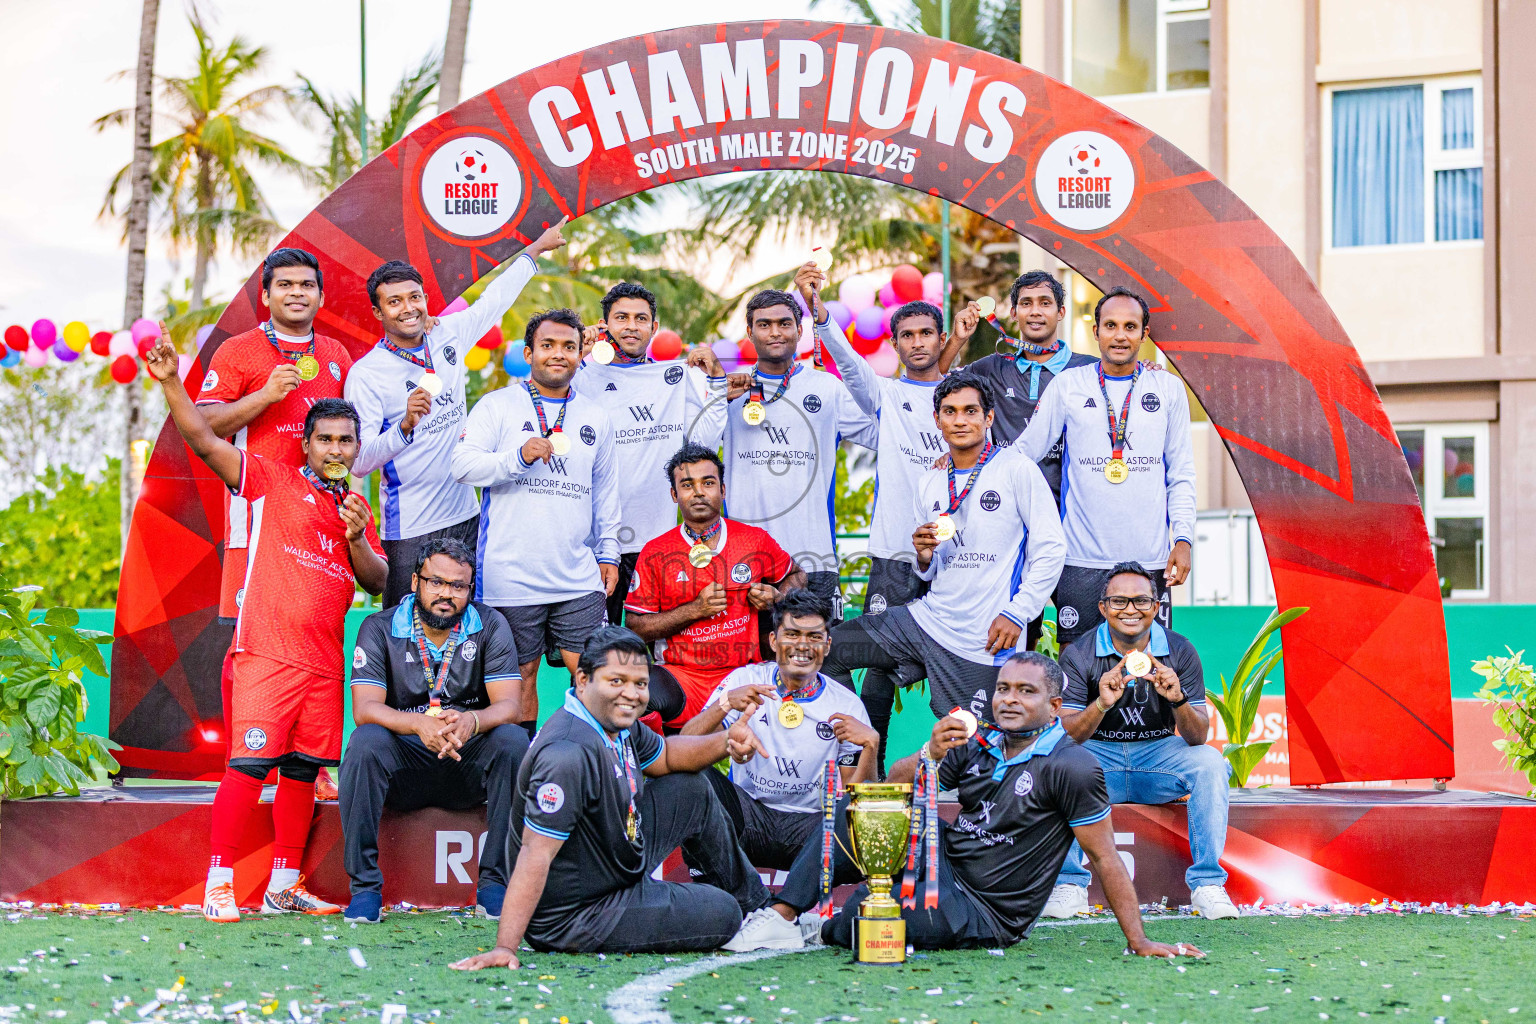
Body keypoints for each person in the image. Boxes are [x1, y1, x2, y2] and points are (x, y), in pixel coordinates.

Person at [144, 336, 386, 924]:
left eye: (345, 441)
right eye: (325, 439)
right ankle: (219, 882)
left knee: (304, 771)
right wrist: (173, 383)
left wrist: (357, 538)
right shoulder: (272, 479)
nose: (335, 448)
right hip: (268, 653)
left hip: (325, 660)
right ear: (304, 445)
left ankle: (283, 882)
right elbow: (202, 438)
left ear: (357, 450)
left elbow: (377, 581)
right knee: (249, 768)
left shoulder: (355, 506)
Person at [740, 652, 1203, 957]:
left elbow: (1104, 857)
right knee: (860, 810)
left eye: (1026, 691)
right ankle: (782, 917)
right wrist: (930, 753)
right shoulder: (976, 740)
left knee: (868, 916)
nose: (1010, 700)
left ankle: (821, 930)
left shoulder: (1072, 764)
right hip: (942, 864)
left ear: (1056, 704)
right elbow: (893, 786)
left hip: (985, 910)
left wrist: (1138, 940)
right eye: (1004, 689)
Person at [447, 628, 776, 967]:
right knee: (722, 911)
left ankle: (761, 909)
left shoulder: (612, 721)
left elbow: (665, 757)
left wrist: (725, 741)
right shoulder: (567, 754)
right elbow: (534, 855)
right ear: (583, 680)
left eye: (640, 683)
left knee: (690, 789)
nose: (631, 694)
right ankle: (739, 909)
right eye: (616, 681)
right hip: (577, 914)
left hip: (614, 861)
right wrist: (506, 947)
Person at [345, 221, 569, 609]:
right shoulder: (367, 374)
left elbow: (493, 302)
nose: (408, 308)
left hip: (468, 514)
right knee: (406, 631)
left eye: (414, 297)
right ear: (377, 311)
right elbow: (360, 461)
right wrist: (404, 426)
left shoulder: (447, 334)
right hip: (411, 526)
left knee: (465, 627)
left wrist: (533, 252)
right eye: (394, 301)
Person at [195, 247, 353, 798]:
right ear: (265, 295)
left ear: (319, 295)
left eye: (307, 285)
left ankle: (309, 764)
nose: (296, 293)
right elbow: (206, 423)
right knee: (245, 638)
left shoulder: (334, 354)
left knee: (319, 628)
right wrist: (265, 395)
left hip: (320, 519)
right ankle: (246, 752)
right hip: (257, 513)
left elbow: (348, 434)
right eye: (284, 285)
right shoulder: (239, 352)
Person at [821, 372, 1066, 726]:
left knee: (970, 755)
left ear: (989, 417)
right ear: (937, 420)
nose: (960, 420)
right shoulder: (931, 481)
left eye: (970, 411)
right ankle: (864, 765)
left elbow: (1051, 548)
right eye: (950, 412)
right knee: (829, 650)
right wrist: (924, 557)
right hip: (928, 620)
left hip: (984, 639)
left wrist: (1019, 612)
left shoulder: (1017, 470)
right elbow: (934, 570)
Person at [795, 262, 950, 770]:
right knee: (875, 665)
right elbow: (851, 365)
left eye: (927, 333)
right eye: (907, 335)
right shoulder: (885, 395)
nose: (917, 342)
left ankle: (968, 774)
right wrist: (819, 316)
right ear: (896, 343)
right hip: (895, 556)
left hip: (961, 562)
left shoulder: (969, 402)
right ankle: (869, 764)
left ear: (940, 339)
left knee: (955, 671)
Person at [339, 538, 530, 924]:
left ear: (469, 590)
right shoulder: (379, 627)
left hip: (465, 762)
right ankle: (364, 889)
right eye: (436, 582)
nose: (447, 594)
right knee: (364, 744)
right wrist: (418, 723)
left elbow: (511, 705)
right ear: (415, 582)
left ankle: (494, 884)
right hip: (405, 769)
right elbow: (365, 709)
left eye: (458, 586)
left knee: (513, 741)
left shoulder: (489, 624)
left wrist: (472, 721)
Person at [676, 589, 879, 950]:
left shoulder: (846, 704)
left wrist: (871, 746)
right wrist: (724, 705)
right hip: (750, 819)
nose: (803, 645)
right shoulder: (745, 681)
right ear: (773, 640)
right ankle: (744, 906)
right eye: (793, 634)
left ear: (827, 645)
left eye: (814, 636)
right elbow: (683, 746)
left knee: (855, 813)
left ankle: (782, 914)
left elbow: (857, 801)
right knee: (689, 778)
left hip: (812, 833)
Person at [450, 308, 620, 733]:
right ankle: (524, 775)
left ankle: (589, 765)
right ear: (528, 352)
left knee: (592, 674)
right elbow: (463, 466)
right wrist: (518, 457)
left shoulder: (596, 416)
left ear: (582, 353)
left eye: (568, 346)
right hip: (511, 573)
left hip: (577, 574)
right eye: (548, 345)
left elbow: (605, 494)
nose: (558, 354)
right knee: (519, 676)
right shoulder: (498, 405)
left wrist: (610, 553)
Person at [1042, 562, 1238, 921]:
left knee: (1210, 762)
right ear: (1102, 607)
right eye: (1119, 601)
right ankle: (1070, 885)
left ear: (1156, 607)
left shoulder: (1180, 651)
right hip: (1100, 763)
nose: (1130, 610)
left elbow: (1197, 737)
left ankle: (1208, 884)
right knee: (1058, 761)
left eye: (1141, 601)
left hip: (1159, 757)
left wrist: (1177, 699)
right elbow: (1066, 735)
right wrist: (1101, 704)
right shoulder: (1080, 654)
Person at [1014, 287, 1196, 647]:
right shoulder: (1069, 385)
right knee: (1075, 669)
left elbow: (1181, 474)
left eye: (1130, 326)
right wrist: (966, 461)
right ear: (1095, 331)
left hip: (1149, 558)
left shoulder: (1168, 389)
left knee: (1147, 669)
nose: (1120, 335)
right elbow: (1024, 452)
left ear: (1144, 334)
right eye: (1110, 325)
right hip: (1080, 557)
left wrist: (1184, 538)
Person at [576, 282, 727, 624]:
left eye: (641, 318)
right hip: (595, 546)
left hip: (658, 545)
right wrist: (576, 355)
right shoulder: (581, 375)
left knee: (653, 642)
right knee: (595, 652)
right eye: (622, 318)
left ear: (654, 328)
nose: (631, 325)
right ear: (605, 325)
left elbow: (703, 443)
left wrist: (717, 383)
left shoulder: (673, 377)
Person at [624, 443, 805, 727]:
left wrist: (778, 596)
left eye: (708, 483)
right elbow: (635, 627)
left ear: (722, 490)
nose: (698, 492)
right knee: (633, 695)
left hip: (745, 676)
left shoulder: (753, 540)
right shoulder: (655, 552)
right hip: (682, 677)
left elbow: (797, 575)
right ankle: (662, 767)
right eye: (687, 484)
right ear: (674, 494)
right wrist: (694, 610)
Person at [722, 289, 877, 617]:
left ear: (800, 330)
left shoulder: (827, 388)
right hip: (742, 559)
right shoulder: (728, 391)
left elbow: (883, 435)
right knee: (750, 662)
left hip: (813, 557)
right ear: (749, 332)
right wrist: (716, 399)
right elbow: (694, 450)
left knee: (825, 662)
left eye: (784, 323)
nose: (775, 332)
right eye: (764, 325)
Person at [940, 270, 1096, 461]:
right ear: (1014, 313)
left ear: (1061, 312)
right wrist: (958, 338)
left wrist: (1145, 368)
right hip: (1006, 489)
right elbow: (936, 378)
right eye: (1026, 303)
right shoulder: (993, 369)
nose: (1035, 311)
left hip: (1066, 491)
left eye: (1045, 303)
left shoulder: (1089, 369)